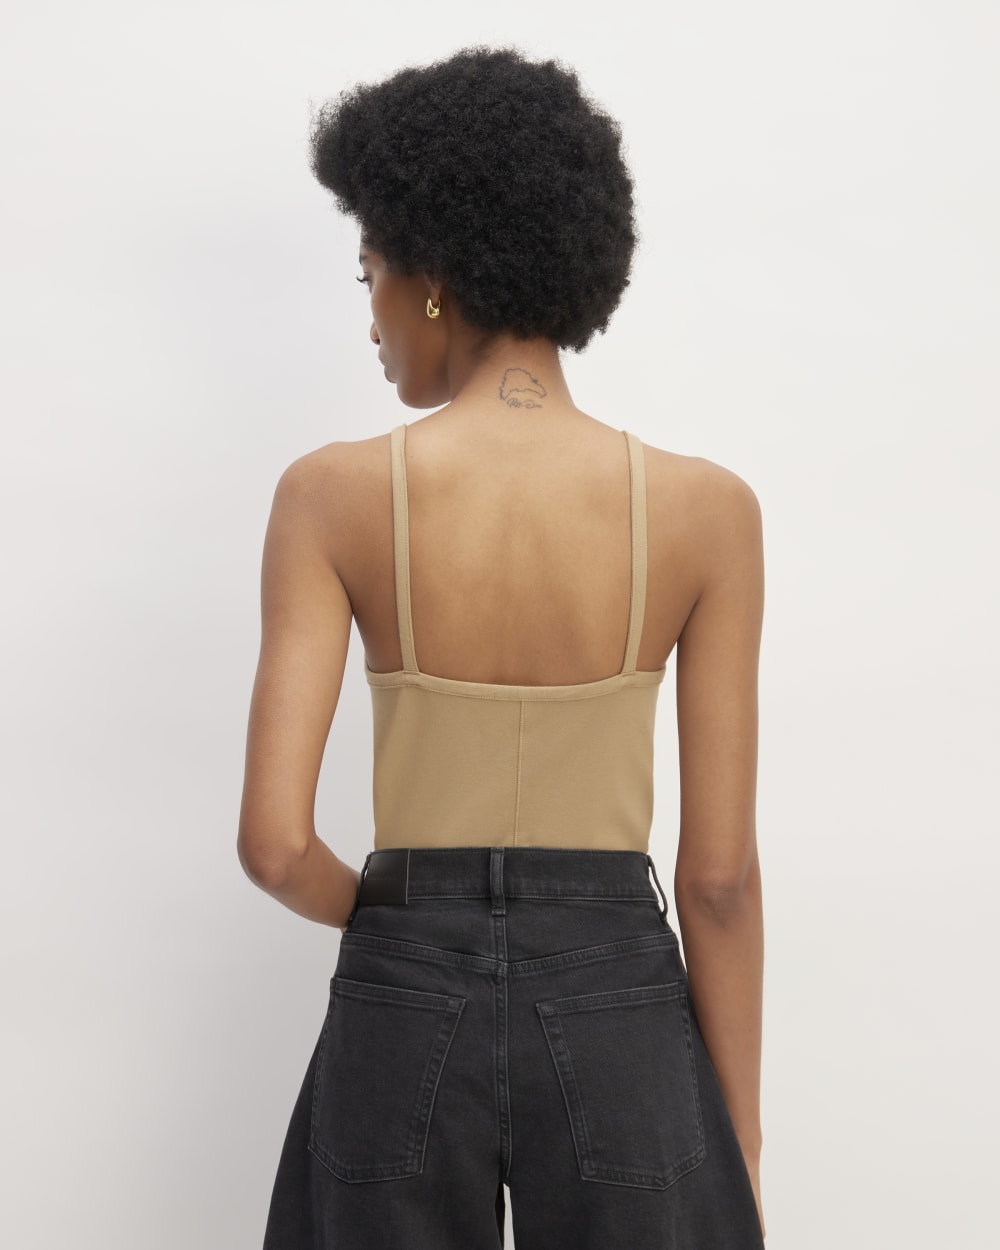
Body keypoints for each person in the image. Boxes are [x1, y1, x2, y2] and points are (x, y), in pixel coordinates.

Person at [237, 46, 766, 1249]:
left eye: (370, 273)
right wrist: (736, 1143)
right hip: (618, 988)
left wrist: (403, 922)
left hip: (401, 992)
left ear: (430, 277)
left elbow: (274, 844)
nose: (372, 315)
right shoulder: (707, 511)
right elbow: (718, 882)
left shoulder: (330, 497)